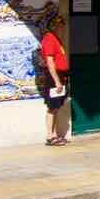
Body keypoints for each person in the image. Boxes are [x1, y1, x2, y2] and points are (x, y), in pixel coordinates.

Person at [38, 15, 70, 146]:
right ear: (54, 26)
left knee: (56, 107)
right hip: (54, 77)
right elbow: (50, 61)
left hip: (60, 76)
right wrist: (56, 81)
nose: (61, 28)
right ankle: (50, 136)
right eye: (59, 25)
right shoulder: (49, 39)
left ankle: (55, 135)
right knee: (52, 107)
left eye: (62, 25)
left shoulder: (56, 39)